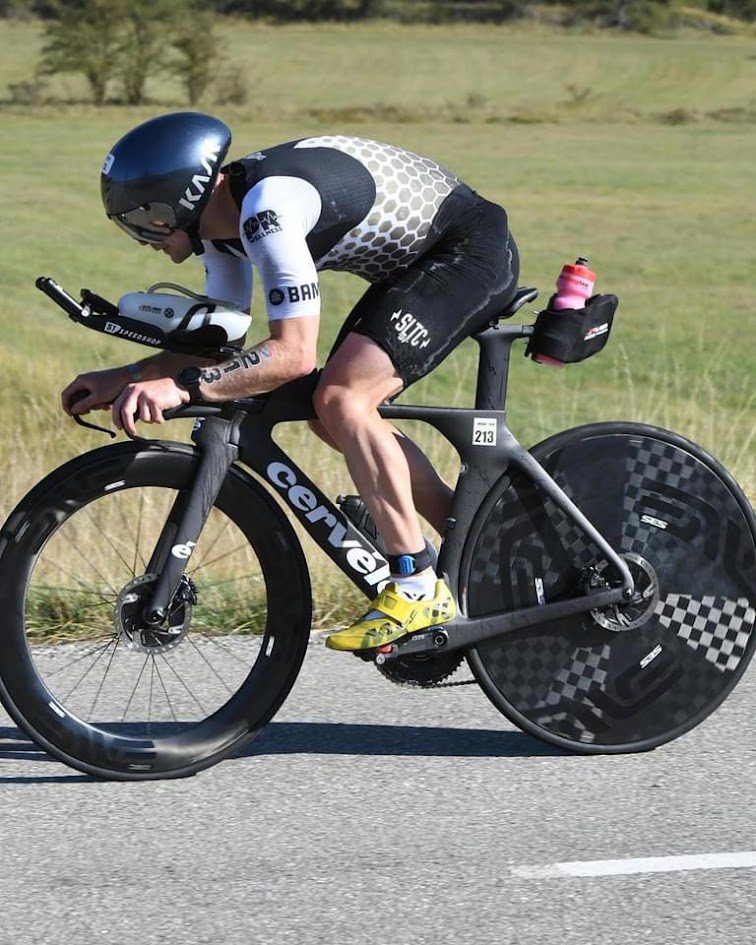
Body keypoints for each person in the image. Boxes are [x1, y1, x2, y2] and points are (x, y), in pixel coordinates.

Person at [63, 112, 519, 652]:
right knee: (334, 411)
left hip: (466, 251)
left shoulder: (265, 212)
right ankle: (481, 546)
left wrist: (183, 388)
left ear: (181, 198)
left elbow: (292, 355)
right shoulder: (219, 230)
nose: (143, 238)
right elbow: (218, 342)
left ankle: (417, 587)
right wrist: (125, 377)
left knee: (343, 397)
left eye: (146, 220)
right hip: (417, 263)